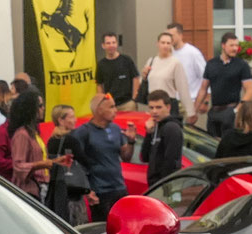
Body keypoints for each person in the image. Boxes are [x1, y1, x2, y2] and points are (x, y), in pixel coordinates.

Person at [66, 92, 132, 222]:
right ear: (99, 110)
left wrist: (131, 141)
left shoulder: (115, 129)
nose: (115, 110)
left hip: (119, 188)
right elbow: (75, 164)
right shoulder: (83, 132)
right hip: (100, 191)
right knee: (103, 230)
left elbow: (126, 157)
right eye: (111, 107)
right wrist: (87, 190)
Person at [196, 34, 252, 137]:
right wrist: (194, 110)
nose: (235, 48)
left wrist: (236, 110)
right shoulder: (211, 64)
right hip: (214, 111)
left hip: (231, 110)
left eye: (236, 45)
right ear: (223, 45)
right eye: (231, 45)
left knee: (230, 144)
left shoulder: (242, 65)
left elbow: (249, 91)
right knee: (213, 144)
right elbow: (203, 89)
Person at [5, 90, 56, 199]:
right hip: (29, 190)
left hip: (40, 187)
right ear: (31, 109)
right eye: (40, 106)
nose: (43, 109)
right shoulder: (22, 135)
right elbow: (18, 166)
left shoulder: (34, 133)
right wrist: (41, 164)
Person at [44, 103, 86, 222]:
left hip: (57, 189)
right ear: (61, 120)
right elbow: (84, 162)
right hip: (72, 191)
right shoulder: (72, 141)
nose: (75, 120)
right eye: (71, 117)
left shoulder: (51, 140)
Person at [167, 22, 208, 125]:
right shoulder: (168, 53)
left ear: (180, 35)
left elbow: (206, 78)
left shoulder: (193, 53)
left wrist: (205, 101)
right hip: (172, 102)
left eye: (172, 35)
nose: (169, 39)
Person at [138, 31, 188, 114]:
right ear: (158, 44)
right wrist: (144, 75)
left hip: (168, 103)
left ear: (171, 45)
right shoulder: (151, 60)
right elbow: (142, 81)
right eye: (163, 43)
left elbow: (182, 87)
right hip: (153, 103)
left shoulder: (175, 63)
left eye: (168, 43)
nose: (165, 46)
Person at [143, 90, 185, 185]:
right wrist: (149, 133)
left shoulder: (171, 128)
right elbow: (145, 157)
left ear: (168, 107)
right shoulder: (155, 126)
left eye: (158, 107)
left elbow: (171, 161)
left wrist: (163, 186)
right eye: (151, 107)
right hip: (153, 183)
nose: (154, 111)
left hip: (165, 185)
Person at [96, 33, 137, 108]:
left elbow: (135, 78)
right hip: (110, 105)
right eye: (108, 43)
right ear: (103, 46)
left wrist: (134, 99)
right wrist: (102, 101)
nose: (111, 45)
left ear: (117, 44)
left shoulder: (126, 60)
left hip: (128, 104)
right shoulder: (101, 64)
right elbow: (99, 84)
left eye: (113, 42)